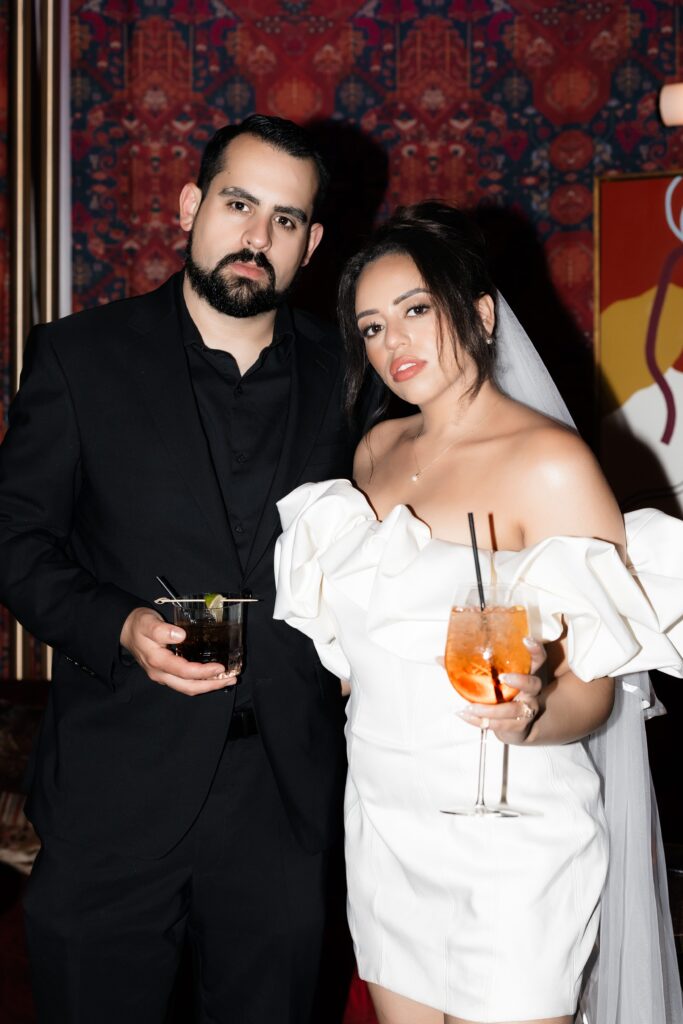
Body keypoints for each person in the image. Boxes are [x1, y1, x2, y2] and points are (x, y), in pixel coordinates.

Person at [273, 202, 683, 1024]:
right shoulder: (373, 455)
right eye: (373, 326)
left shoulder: (552, 466)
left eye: (416, 311)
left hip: (512, 836)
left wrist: (530, 710)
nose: (395, 344)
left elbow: (595, 694)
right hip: (387, 823)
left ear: (481, 314)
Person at [0, 115, 370, 1023]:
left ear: (312, 244)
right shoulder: (79, 357)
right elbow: (15, 542)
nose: (257, 237)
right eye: (239, 204)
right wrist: (117, 624)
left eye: (286, 221)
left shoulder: (355, 375)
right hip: (113, 789)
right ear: (190, 206)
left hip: (285, 796)